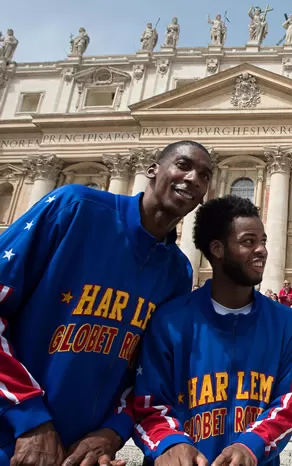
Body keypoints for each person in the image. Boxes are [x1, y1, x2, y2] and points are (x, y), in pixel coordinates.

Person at [0, 140, 213, 465]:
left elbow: (151, 369)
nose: (194, 178)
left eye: (205, 176)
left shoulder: (178, 272)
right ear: (152, 169)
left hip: (80, 455)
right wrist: (28, 418)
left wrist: (112, 433)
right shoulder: (75, 207)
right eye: (183, 165)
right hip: (12, 436)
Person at [132, 196, 292, 466]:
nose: (262, 250)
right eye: (249, 242)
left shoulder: (286, 323)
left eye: (263, 241)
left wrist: (251, 446)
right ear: (218, 249)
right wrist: (170, 442)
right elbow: (148, 402)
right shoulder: (169, 320)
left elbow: (289, 402)